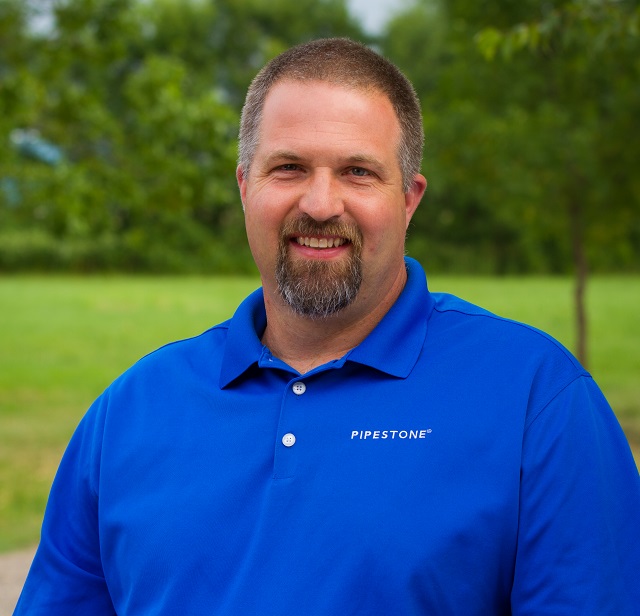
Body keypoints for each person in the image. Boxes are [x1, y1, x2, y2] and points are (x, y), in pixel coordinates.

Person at [15, 38, 640, 615]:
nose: (319, 204)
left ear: (410, 197)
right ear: (243, 186)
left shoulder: (538, 400)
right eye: (287, 168)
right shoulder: (129, 412)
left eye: (357, 172)